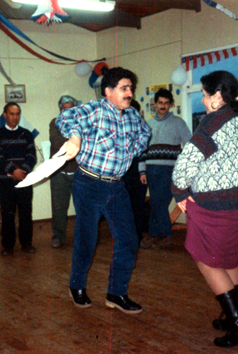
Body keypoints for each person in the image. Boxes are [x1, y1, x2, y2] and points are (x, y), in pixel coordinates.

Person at [172, 70, 238, 347]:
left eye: (204, 94)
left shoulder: (212, 123)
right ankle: (231, 314)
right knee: (229, 260)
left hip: (218, 207)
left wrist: (179, 192)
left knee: (207, 261)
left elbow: (183, 167)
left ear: (217, 96)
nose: (201, 99)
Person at [56, 67, 151, 315]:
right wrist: (75, 138)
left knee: (129, 240)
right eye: (124, 88)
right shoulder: (95, 109)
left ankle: (116, 293)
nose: (130, 93)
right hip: (88, 183)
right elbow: (64, 118)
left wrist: (131, 152)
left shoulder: (132, 115)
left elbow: (145, 133)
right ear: (108, 91)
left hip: (116, 186)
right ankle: (76, 286)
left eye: (131, 88)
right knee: (87, 239)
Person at [139, 88, 192, 250]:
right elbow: (142, 149)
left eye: (166, 103)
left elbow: (190, 146)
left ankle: (164, 235)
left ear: (170, 104)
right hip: (150, 169)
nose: (162, 106)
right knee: (156, 203)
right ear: (155, 104)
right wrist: (142, 170)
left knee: (159, 204)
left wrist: (184, 168)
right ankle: (156, 235)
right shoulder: (147, 124)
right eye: (160, 103)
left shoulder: (178, 123)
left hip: (170, 171)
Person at [0, 103, 37, 256]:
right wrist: (13, 171)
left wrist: (22, 171)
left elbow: (32, 156)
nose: (15, 117)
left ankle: (26, 244)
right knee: (7, 214)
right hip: (5, 181)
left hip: (24, 180)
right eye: (11, 114)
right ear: (5, 115)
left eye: (17, 114)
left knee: (25, 213)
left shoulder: (27, 134)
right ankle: (8, 246)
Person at [48, 95, 79, 248]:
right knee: (59, 207)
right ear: (60, 110)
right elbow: (56, 141)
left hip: (79, 173)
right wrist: (74, 142)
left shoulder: (81, 123)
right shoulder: (54, 123)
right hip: (58, 173)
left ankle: (82, 237)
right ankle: (57, 237)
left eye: (71, 109)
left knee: (82, 207)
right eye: (64, 109)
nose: (68, 112)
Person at [122, 99, 148, 241]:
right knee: (125, 206)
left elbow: (144, 153)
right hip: (123, 173)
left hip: (138, 172)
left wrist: (142, 172)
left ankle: (137, 236)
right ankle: (127, 236)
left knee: (138, 205)